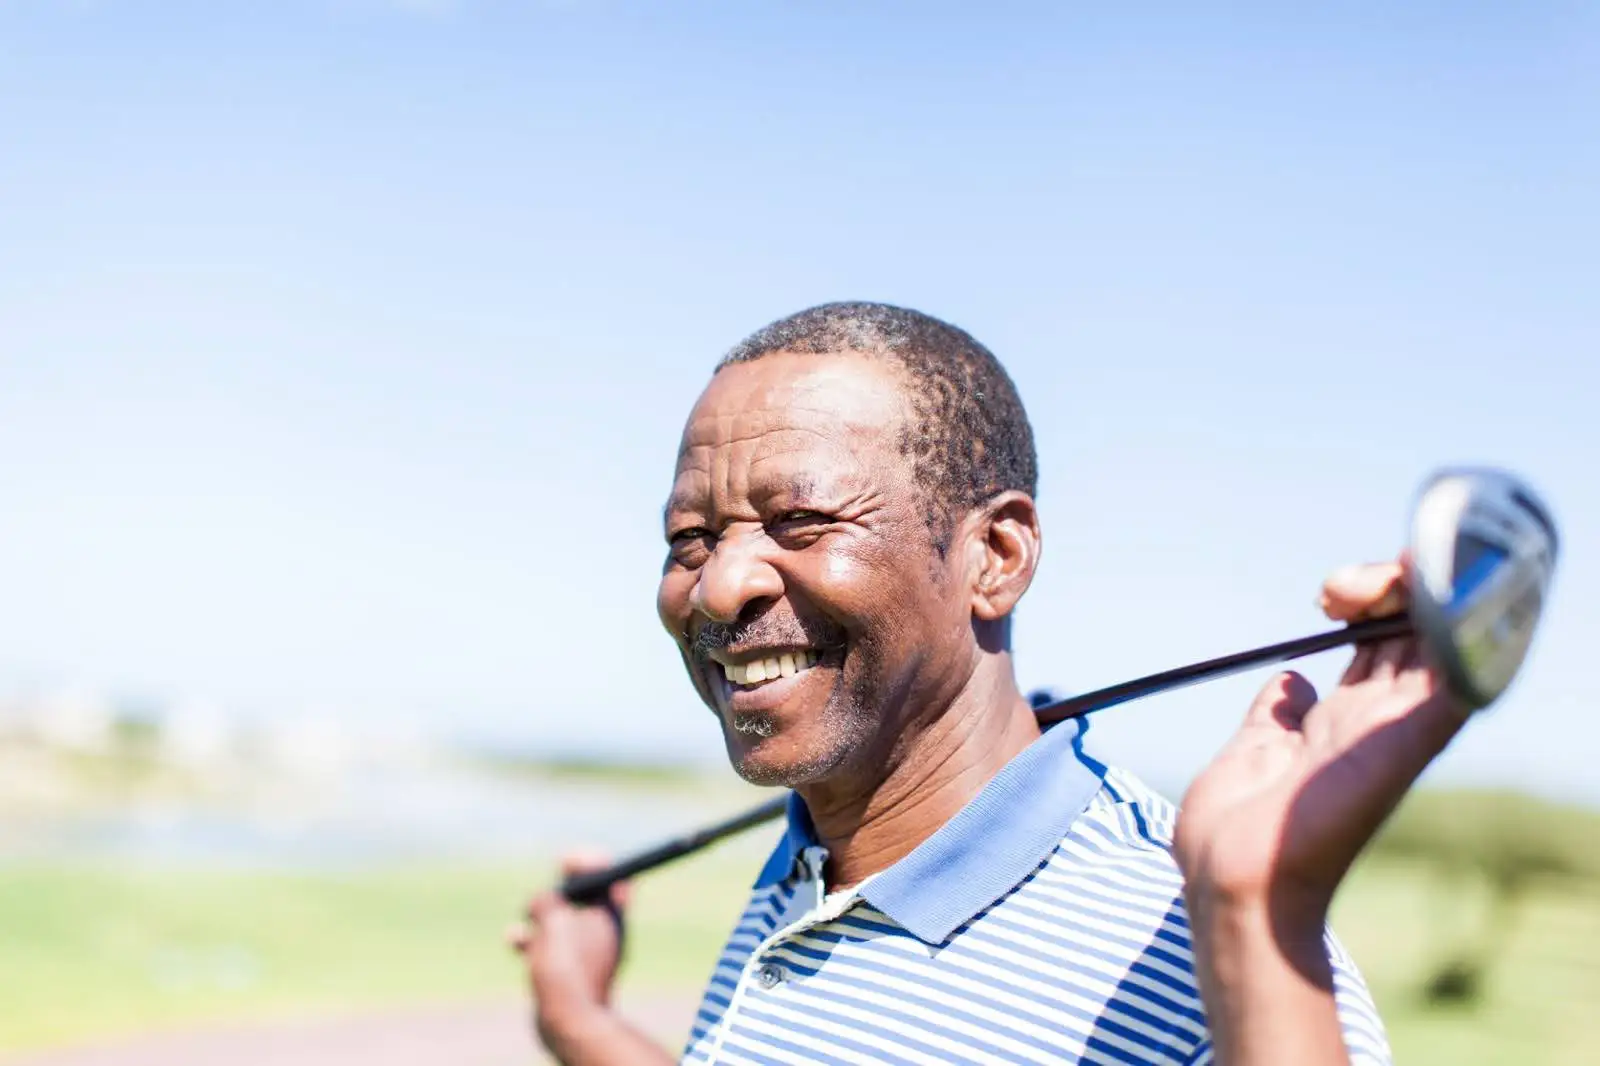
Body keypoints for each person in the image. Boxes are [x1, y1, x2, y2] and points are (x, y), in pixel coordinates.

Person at [512, 302, 1472, 1065]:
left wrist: (1259, 926)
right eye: (692, 539)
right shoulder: (813, 864)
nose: (719, 584)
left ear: (996, 556)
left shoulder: (1212, 964)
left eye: (801, 519)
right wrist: (584, 1024)